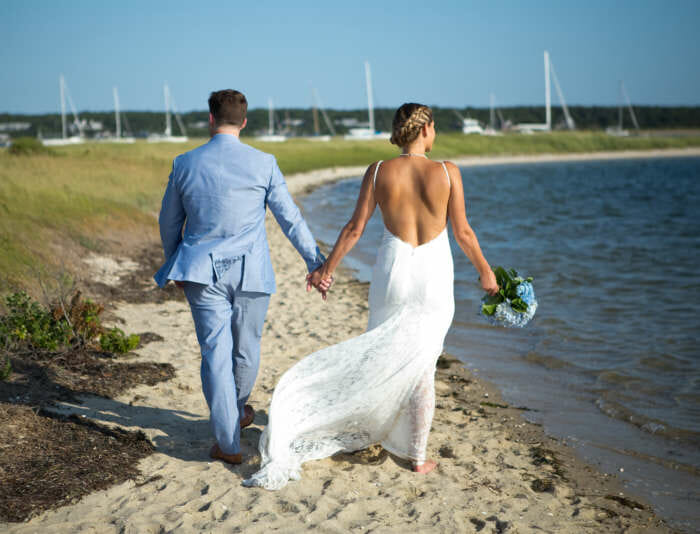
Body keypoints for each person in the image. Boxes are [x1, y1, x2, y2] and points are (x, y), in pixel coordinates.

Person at [244, 103, 499, 490]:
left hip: (393, 269)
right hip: (433, 274)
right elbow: (463, 232)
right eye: (434, 128)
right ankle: (415, 454)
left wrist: (326, 270)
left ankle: (379, 426)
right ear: (426, 129)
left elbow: (353, 228)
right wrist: (485, 271)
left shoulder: (379, 171)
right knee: (422, 363)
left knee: (382, 351)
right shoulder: (448, 172)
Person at [155, 89, 328, 465]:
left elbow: (168, 221)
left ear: (211, 119)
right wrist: (315, 263)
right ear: (244, 122)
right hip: (251, 271)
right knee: (246, 350)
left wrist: (175, 264)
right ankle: (233, 418)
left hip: (200, 271)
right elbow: (290, 217)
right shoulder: (264, 162)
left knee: (215, 355)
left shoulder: (184, 163)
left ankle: (229, 441)